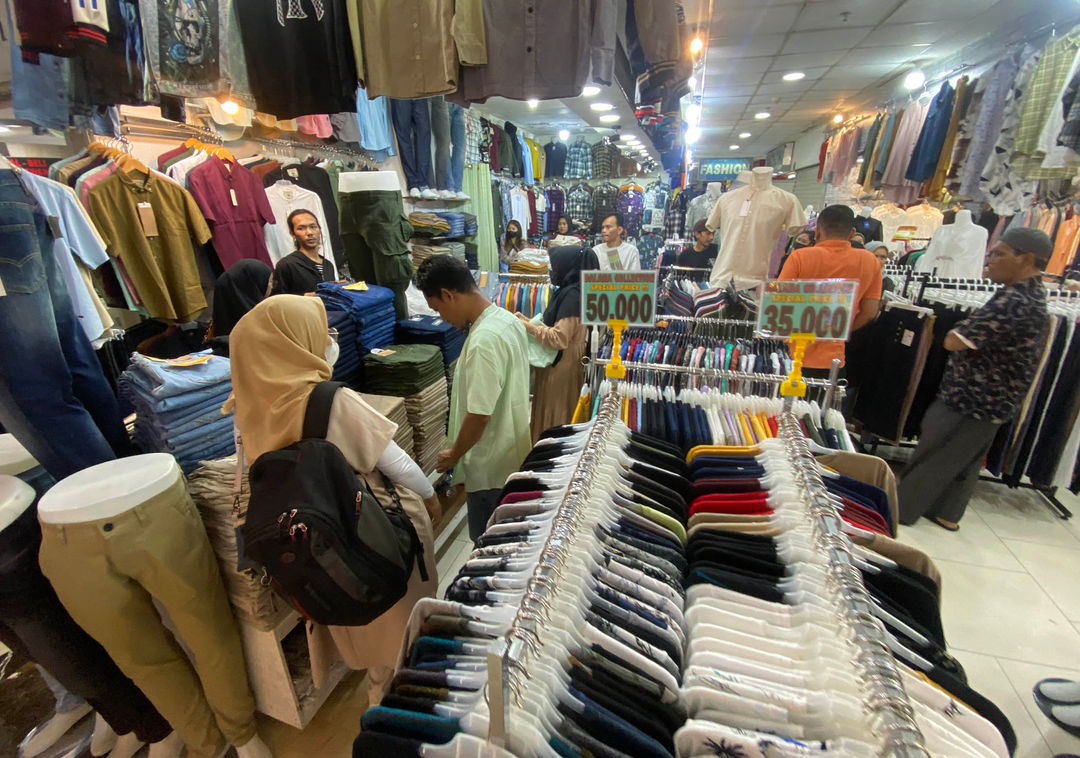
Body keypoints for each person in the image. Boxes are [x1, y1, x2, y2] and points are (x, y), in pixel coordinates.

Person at [226, 295, 438, 701]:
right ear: (293, 341)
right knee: (402, 629)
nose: (329, 339)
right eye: (320, 331)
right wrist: (431, 498)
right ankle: (402, 697)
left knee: (358, 615)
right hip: (371, 532)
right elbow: (399, 466)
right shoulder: (328, 399)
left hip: (322, 546)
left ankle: (379, 688)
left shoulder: (246, 408)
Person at [898, 228, 1051, 531]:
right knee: (965, 457)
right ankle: (947, 514)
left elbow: (956, 341)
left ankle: (899, 509)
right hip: (994, 399)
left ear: (1027, 259)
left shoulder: (1016, 300)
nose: (990, 260)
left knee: (936, 453)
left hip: (972, 396)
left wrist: (956, 331)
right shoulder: (1028, 295)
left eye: (1000, 253)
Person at [416, 256, 531, 543]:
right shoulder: (506, 319)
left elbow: (479, 415)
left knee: (487, 547)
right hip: (512, 453)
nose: (442, 318)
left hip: (490, 467)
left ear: (448, 295)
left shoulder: (484, 340)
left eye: (438, 308)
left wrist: (454, 454)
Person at [777, 204, 882, 378]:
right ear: (852, 233)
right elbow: (870, 312)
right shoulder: (870, 261)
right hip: (832, 358)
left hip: (790, 355)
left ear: (817, 231)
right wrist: (841, 329)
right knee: (824, 404)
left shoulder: (800, 257)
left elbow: (779, 304)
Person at [517, 246, 599, 442]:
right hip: (564, 359)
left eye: (555, 267)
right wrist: (527, 321)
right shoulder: (572, 291)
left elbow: (559, 338)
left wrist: (527, 327)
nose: (552, 272)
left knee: (556, 409)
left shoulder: (572, 296)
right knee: (555, 406)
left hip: (563, 364)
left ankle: (550, 450)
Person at [205, 260, 272, 356]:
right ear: (251, 287)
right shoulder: (265, 324)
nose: (272, 285)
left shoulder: (221, 341)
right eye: (269, 281)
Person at [269, 209, 337, 296]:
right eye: (301, 228)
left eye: (313, 227)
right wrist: (305, 297)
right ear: (292, 234)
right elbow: (278, 300)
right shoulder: (287, 264)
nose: (309, 232)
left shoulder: (328, 265)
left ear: (319, 229)